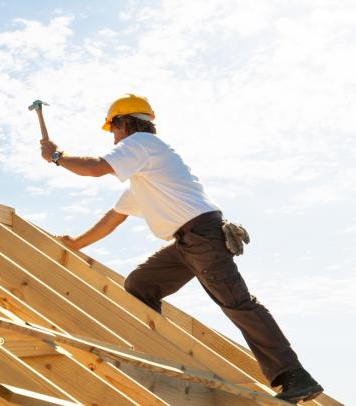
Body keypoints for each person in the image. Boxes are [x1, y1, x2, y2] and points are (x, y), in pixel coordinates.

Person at [38, 94, 324, 403]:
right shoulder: (147, 174)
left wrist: (57, 157)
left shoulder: (141, 146)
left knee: (238, 304)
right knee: (140, 285)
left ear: (123, 123)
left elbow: (95, 168)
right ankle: (159, 351)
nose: (113, 136)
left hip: (202, 236)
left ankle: (295, 376)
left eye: (113, 129)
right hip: (188, 241)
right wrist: (76, 244)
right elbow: (113, 218)